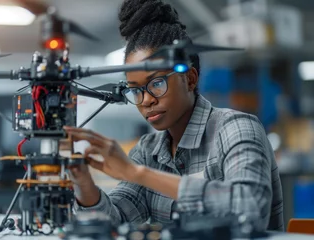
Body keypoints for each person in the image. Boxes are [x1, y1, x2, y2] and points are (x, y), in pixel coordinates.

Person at [63, 0, 284, 232]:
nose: (146, 99)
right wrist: (83, 184)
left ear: (190, 79)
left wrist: (139, 174)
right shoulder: (148, 152)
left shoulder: (236, 129)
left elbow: (251, 209)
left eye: (156, 83)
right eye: (136, 90)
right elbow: (115, 223)